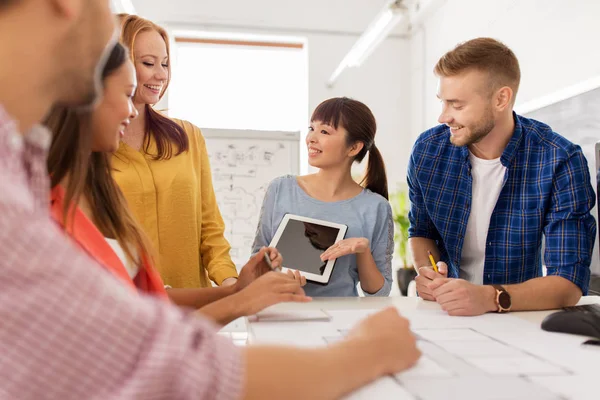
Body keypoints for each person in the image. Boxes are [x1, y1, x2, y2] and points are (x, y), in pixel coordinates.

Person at [0, 1, 420, 399]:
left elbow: (188, 258)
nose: (146, 88)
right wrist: (363, 353)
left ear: (355, 147)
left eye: (162, 64)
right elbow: (162, 365)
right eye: (136, 75)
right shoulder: (28, 192)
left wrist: (234, 289)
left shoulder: (28, 164)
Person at [45, 42, 308, 326]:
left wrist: (235, 289)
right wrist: (238, 301)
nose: (132, 110)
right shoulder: (44, 207)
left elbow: (151, 297)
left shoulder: (103, 190)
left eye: (165, 63)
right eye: (126, 94)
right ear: (86, 97)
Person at [408, 37, 596, 316]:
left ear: (501, 99)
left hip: (520, 318)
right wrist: (428, 273)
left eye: (456, 106)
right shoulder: (428, 151)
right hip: (445, 316)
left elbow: (568, 283)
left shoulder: (559, 160)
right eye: (442, 102)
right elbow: (421, 232)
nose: (443, 117)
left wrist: (488, 297)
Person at [111, 14, 237, 288]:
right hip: (124, 307)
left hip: (192, 308)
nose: (161, 75)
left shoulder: (187, 136)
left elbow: (210, 228)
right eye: (148, 63)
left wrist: (231, 284)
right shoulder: (92, 145)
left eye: (165, 64)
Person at [253, 97, 394, 297]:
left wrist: (363, 251)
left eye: (324, 131)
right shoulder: (280, 189)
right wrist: (277, 274)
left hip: (341, 320)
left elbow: (379, 292)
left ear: (353, 148)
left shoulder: (376, 207)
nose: (311, 138)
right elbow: (256, 262)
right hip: (280, 312)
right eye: (311, 128)